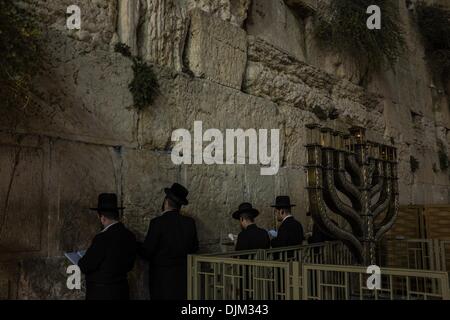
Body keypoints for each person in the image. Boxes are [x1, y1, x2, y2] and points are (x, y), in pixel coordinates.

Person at [139, 183, 199, 300]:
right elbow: (194, 247)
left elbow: (147, 251)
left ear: (166, 201)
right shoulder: (189, 223)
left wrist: (135, 245)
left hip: (162, 280)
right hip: (183, 277)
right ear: (180, 205)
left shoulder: (157, 223)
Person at [78, 193, 137, 300]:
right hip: (122, 291)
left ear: (102, 218)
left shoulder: (102, 238)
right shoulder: (130, 236)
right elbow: (130, 265)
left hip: (102, 293)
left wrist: (81, 261)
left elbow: (85, 266)